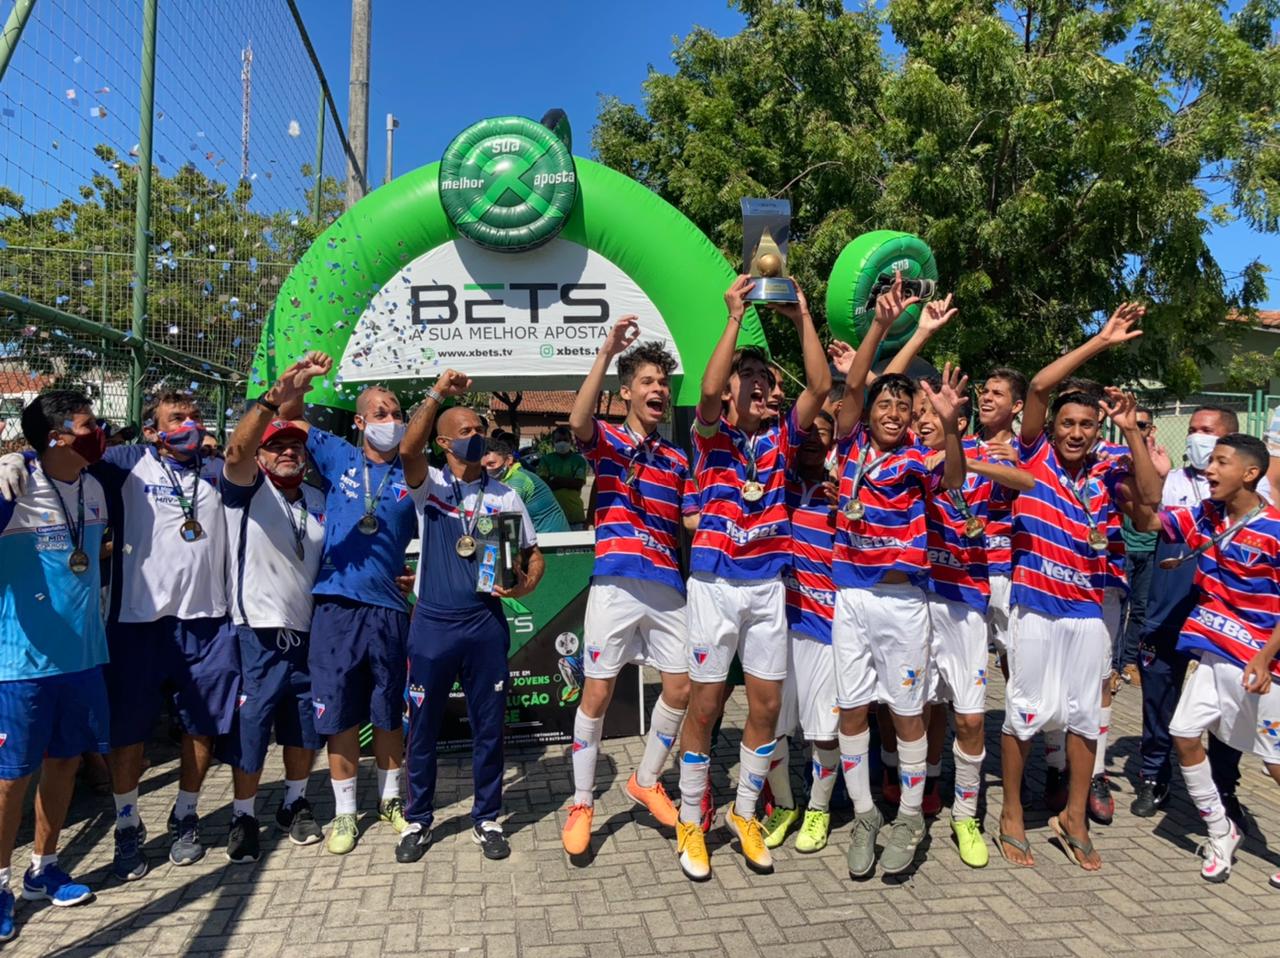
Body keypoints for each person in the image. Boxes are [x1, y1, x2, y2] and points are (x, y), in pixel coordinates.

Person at [673, 275, 830, 881]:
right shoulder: (711, 436)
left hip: (768, 586)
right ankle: (691, 819)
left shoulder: (784, 439)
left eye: (769, 383)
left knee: (764, 705)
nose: (764, 389)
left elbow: (820, 386)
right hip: (714, 584)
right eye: (753, 382)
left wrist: (801, 318)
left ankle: (743, 814)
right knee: (706, 706)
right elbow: (710, 389)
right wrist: (735, 317)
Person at [997, 304, 1161, 871]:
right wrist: (1102, 340)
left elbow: (1149, 503)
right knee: (1025, 711)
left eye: (1085, 425)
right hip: (1036, 605)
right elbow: (1040, 385)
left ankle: (1073, 816)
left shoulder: (1110, 460)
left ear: (1097, 430)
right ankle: (1012, 814)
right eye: (1067, 423)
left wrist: (1132, 432)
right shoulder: (1033, 452)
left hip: (1090, 609)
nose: (1074, 433)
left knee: (1086, 717)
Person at [824, 275, 968, 879]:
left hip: (903, 600)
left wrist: (953, 426)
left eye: (901, 406)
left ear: (913, 416)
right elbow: (857, 383)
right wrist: (881, 325)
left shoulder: (918, 456)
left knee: (908, 714)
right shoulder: (850, 442)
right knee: (852, 710)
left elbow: (957, 482)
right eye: (883, 402)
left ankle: (910, 815)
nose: (889, 410)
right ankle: (864, 815)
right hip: (850, 598)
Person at [560, 318, 700, 856]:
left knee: (681, 688)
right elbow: (577, 421)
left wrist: (736, 517)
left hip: (666, 583)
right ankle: (580, 801)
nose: (658, 390)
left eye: (663, 383)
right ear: (627, 392)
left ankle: (644, 779)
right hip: (615, 582)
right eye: (647, 381)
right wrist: (605, 352)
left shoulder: (678, 458)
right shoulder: (610, 442)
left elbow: (690, 523)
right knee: (596, 692)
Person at [394, 372, 544, 863]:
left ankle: (487, 817)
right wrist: (439, 394)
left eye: (479, 427)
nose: (475, 434)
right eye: (464, 430)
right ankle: (417, 819)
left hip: (484, 624)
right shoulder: (430, 484)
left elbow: (534, 556)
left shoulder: (504, 495)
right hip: (433, 624)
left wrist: (523, 584)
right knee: (423, 727)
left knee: (488, 727)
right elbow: (407, 451)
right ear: (443, 442)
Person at [275, 369, 418, 855]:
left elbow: (446, 534)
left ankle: (391, 802)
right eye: (381, 413)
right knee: (337, 715)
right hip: (336, 607)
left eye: (397, 413)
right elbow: (290, 418)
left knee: (387, 713)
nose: (391, 421)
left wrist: (421, 575)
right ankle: (343, 813)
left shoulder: (413, 472)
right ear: (359, 422)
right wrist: (297, 386)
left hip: (389, 609)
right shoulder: (339, 454)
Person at [0, 392, 110, 939]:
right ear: (57, 436)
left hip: (82, 658)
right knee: (11, 779)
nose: (102, 431)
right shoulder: (12, 486)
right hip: (20, 663)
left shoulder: (92, 486)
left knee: (65, 764)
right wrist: (10, 458)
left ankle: (43, 868)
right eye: (91, 424)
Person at [218, 357, 332, 862]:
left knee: (304, 727)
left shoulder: (316, 496)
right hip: (258, 630)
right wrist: (273, 400)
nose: (288, 451)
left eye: (294, 446)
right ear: (262, 456)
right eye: (277, 446)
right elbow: (238, 448)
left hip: (309, 630)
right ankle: (243, 814)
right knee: (253, 728)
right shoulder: (245, 488)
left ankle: (294, 803)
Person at [1153, 434, 1280, 886]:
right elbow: (1151, 518)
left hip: (1261, 667)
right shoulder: (1205, 516)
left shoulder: (1275, 528)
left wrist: (1266, 656)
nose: (1209, 469)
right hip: (1212, 656)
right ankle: (1221, 829)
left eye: (1221, 462)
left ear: (1250, 473)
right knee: (1184, 734)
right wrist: (1132, 437)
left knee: (1274, 764)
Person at [1131, 406, 1253, 819]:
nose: (1196, 438)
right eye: (1192, 430)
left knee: (1225, 708)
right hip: (1168, 612)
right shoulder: (1172, 480)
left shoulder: (1253, 501)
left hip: (1224, 623)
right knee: (1159, 698)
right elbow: (1147, 514)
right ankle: (1153, 774)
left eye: (1207, 432)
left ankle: (1223, 787)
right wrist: (1159, 475)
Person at [760, 410, 839, 854]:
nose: (811, 439)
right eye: (805, 432)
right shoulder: (779, 487)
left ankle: (819, 809)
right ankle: (786, 805)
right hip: (779, 624)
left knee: (824, 731)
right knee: (771, 724)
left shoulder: (843, 491)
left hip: (826, 628)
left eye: (821, 433)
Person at [481, 437, 569, 534]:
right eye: (483, 467)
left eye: (492, 464)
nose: (488, 469)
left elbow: (504, 512)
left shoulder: (519, 480)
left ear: (509, 460)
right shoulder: (506, 479)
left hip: (551, 539)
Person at [538, 425, 589, 528]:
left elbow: (578, 484)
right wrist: (568, 482)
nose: (562, 443)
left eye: (565, 440)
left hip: (575, 514)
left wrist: (555, 480)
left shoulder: (579, 461)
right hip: (552, 515)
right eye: (559, 440)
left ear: (571, 441)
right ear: (553, 443)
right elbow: (543, 485)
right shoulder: (546, 460)